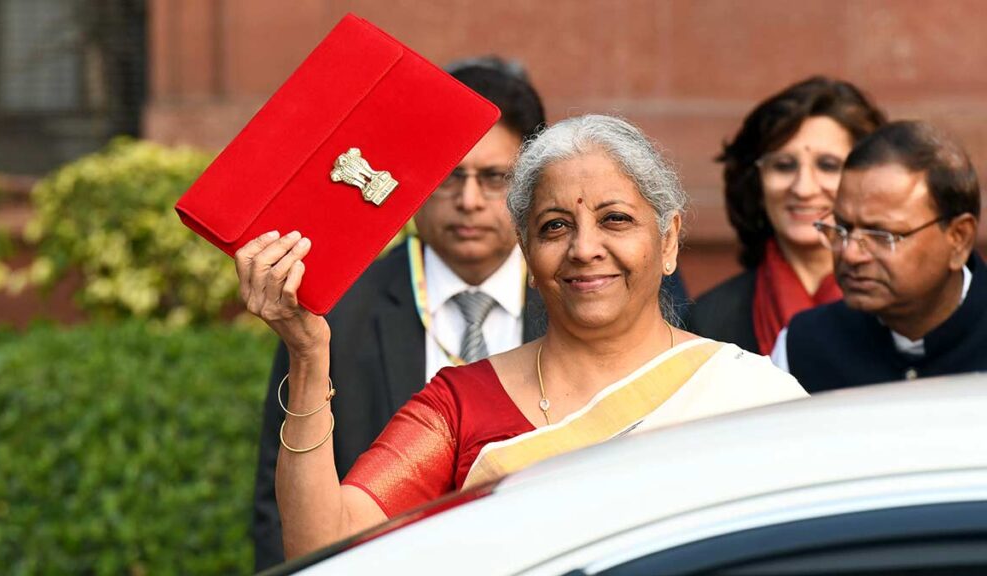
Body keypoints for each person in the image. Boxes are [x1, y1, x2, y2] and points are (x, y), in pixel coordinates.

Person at [236, 114, 807, 559]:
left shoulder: (749, 395)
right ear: (528, 254)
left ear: (669, 240)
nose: (585, 248)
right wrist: (308, 356)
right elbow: (325, 547)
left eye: (615, 219)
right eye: (555, 226)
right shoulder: (459, 406)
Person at [250, 61, 548, 571]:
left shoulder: (576, 298)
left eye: (494, 178)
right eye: (450, 174)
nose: (469, 201)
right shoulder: (334, 311)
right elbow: (278, 506)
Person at [772, 120, 986, 391]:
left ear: (958, 238)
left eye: (882, 235)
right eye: (842, 227)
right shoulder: (803, 346)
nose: (851, 254)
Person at [688, 77, 886, 354]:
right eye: (783, 165)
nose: (803, 189)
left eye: (828, 165)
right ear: (756, 182)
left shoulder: (904, 305)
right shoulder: (709, 321)